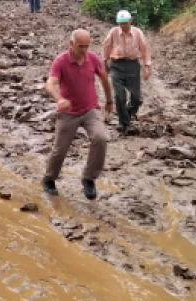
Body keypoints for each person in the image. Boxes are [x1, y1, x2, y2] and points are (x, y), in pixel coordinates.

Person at [42, 29, 112, 200]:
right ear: (71, 44)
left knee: (101, 137)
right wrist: (59, 99)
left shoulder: (92, 58)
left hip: (90, 109)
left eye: (87, 46)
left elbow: (103, 78)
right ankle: (49, 178)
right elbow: (50, 84)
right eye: (80, 46)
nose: (84, 50)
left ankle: (89, 178)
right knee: (60, 150)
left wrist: (109, 100)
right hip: (68, 113)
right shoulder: (61, 61)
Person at [102, 10, 152, 135]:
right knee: (120, 96)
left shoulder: (137, 33)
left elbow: (145, 49)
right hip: (116, 65)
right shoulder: (113, 32)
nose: (123, 26)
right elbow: (106, 46)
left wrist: (146, 66)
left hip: (132, 65)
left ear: (131, 21)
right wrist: (104, 62)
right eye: (120, 23)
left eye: (125, 23)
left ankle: (127, 115)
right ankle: (124, 123)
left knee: (136, 98)